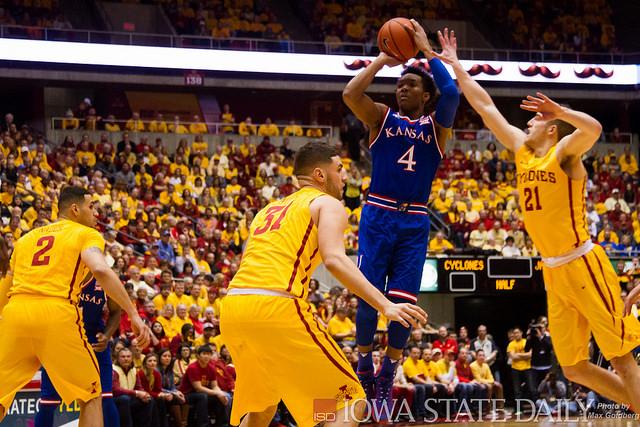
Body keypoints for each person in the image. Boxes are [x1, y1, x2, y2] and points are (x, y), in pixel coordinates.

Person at [436, 28, 640, 411]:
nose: (526, 123)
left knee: (619, 354)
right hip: (553, 269)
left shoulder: (563, 151)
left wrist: (561, 112)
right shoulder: (522, 151)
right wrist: (458, 68)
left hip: (582, 261)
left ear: (550, 129)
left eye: (534, 122)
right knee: (575, 366)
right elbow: (486, 107)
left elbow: (592, 129)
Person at [220, 142, 427, 427]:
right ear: (319, 174)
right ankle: (321, 415)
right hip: (274, 307)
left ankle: (314, 415)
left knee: (262, 406)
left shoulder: (267, 210)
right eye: (340, 169)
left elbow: (251, 265)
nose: (345, 177)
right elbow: (334, 260)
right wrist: (385, 305)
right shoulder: (326, 203)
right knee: (351, 402)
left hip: (233, 309)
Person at [342, 19, 459, 413]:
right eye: (400, 83)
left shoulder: (437, 129)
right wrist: (382, 59)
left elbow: (452, 91)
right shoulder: (380, 117)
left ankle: (388, 369)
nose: (402, 87)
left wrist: (427, 51)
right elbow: (350, 93)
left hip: (414, 221)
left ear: (426, 96)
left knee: (403, 302)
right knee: (367, 293)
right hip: (378, 212)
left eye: (411, 85)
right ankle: (363, 365)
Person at [0, 186, 151, 426]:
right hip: (55, 313)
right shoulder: (85, 233)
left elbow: (5, 288)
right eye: (91, 207)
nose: (95, 214)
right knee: (91, 394)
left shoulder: (25, 239)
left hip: (14, 314)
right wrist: (133, 313)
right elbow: (100, 268)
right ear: (75, 209)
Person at [35, 278, 122, 427]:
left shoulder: (103, 277)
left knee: (105, 398)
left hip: (94, 342)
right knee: (48, 402)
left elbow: (116, 311)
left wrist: (107, 335)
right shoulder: (61, 273)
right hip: (61, 342)